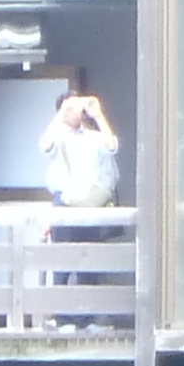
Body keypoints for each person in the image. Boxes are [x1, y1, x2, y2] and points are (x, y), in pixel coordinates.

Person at [39, 85, 120, 313]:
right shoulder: (57, 137)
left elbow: (111, 146)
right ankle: (63, 318)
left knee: (90, 263)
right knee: (62, 264)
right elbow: (44, 144)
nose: (77, 112)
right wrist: (62, 112)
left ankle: (88, 318)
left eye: (78, 107)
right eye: (71, 108)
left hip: (89, 202)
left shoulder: (93, 138)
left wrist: (98, 114)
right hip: (63, 202)